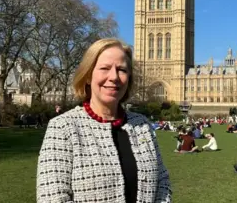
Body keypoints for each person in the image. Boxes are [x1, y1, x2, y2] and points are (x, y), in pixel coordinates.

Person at [36, 38, 171, 203]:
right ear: (87, 76)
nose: (114, 76)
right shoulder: (63, 127)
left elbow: (162, 181)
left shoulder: (141, 125)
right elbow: (52, 198)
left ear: (128, 79)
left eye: (121, 69)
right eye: (104, 68)